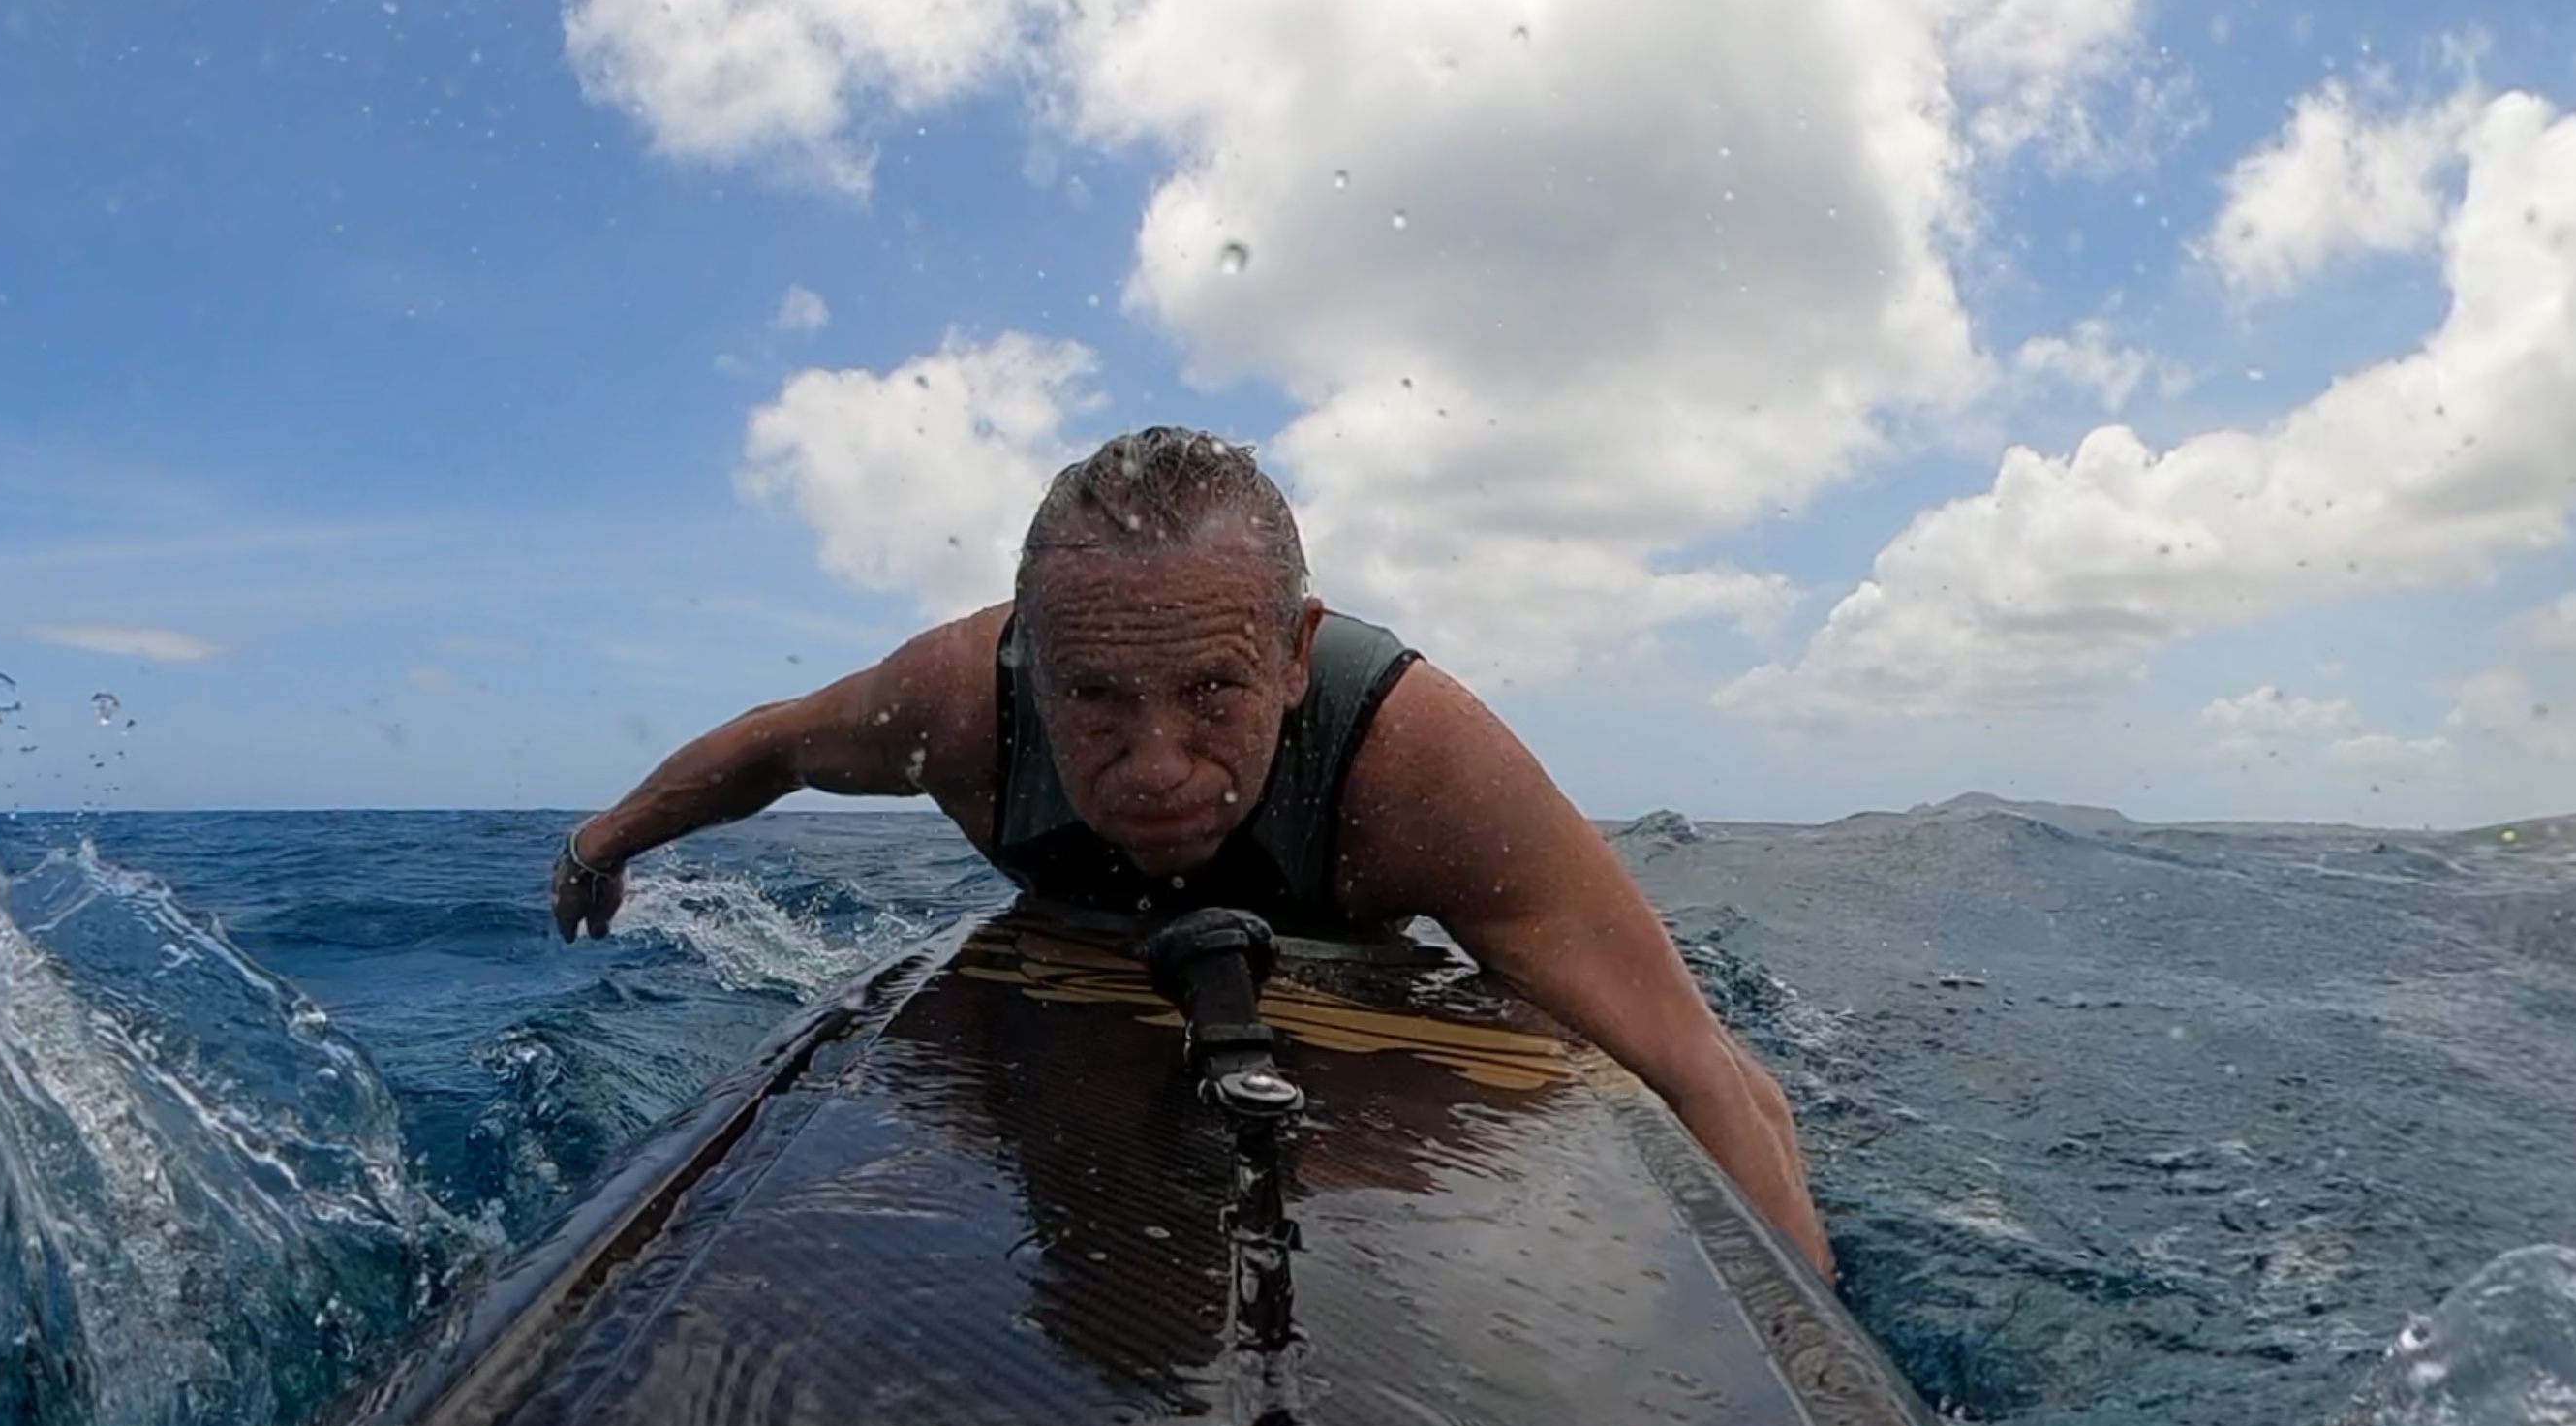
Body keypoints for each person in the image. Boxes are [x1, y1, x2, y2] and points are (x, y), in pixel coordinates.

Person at [546, 426, 1833, 1271]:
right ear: (1030, 659)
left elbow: (1712, 1076)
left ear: (1291, 652)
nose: (1156, 763)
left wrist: (1817, 1412)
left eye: (1212, 692)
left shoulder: (1420, 769)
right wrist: (607, 843)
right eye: (1095, 699)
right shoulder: (955, 702)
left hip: (1352, 980)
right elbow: (775, 746)